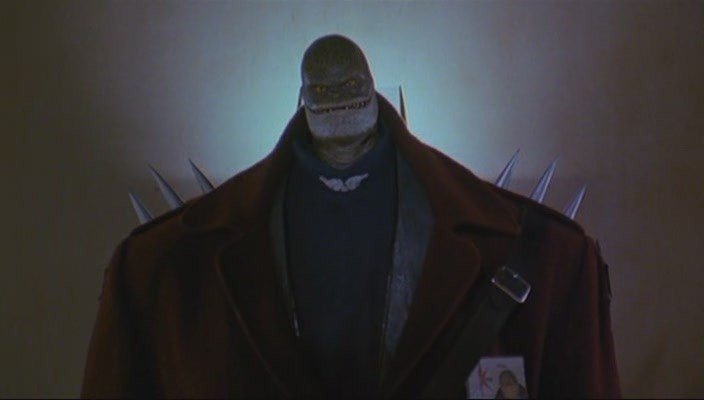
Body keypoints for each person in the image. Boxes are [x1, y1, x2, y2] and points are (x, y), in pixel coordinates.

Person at [81, 34, 620, 398]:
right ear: (306, 97)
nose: (339, 102)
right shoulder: (156, 275)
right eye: (327, 91)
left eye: (346, 89)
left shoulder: (551, 262)